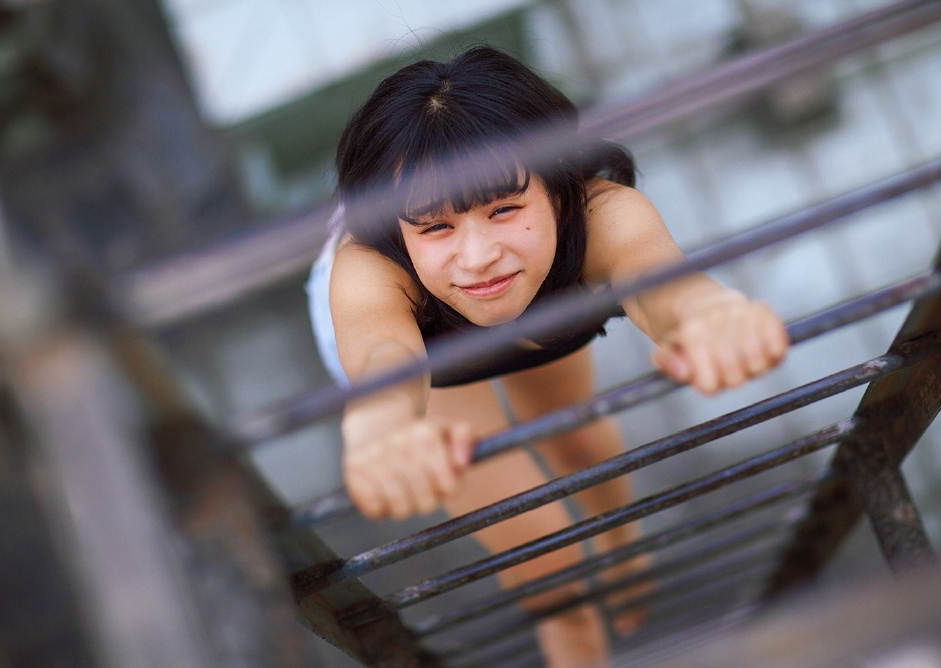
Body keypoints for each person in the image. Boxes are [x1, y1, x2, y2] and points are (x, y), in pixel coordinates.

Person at [306, 46, 788, 668]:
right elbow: (384, 352)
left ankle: (619, 542)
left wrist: (707, 315)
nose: (477, 255)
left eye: (505, 209)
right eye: (436, 227)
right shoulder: (370, 267)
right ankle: (570, 625)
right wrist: (379, 425)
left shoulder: (599, 211)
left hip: (542, 304)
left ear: (558, 185)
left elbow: (660, 280)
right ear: (399, 231)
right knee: (541, 542)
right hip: (429, 337)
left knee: (578, 442)